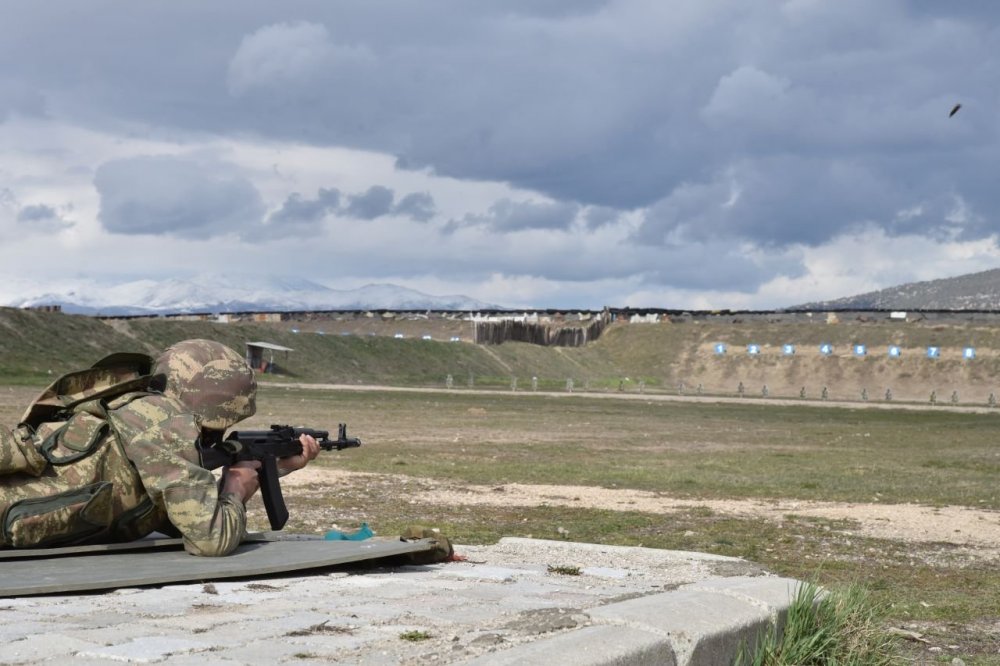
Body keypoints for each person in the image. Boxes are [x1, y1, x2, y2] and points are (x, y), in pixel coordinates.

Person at [0, 339, 319, 556]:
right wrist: (236, 489)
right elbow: (211, 539)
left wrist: (274, 468)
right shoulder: (166, 425)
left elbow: (175, 515)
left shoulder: (136, 409)